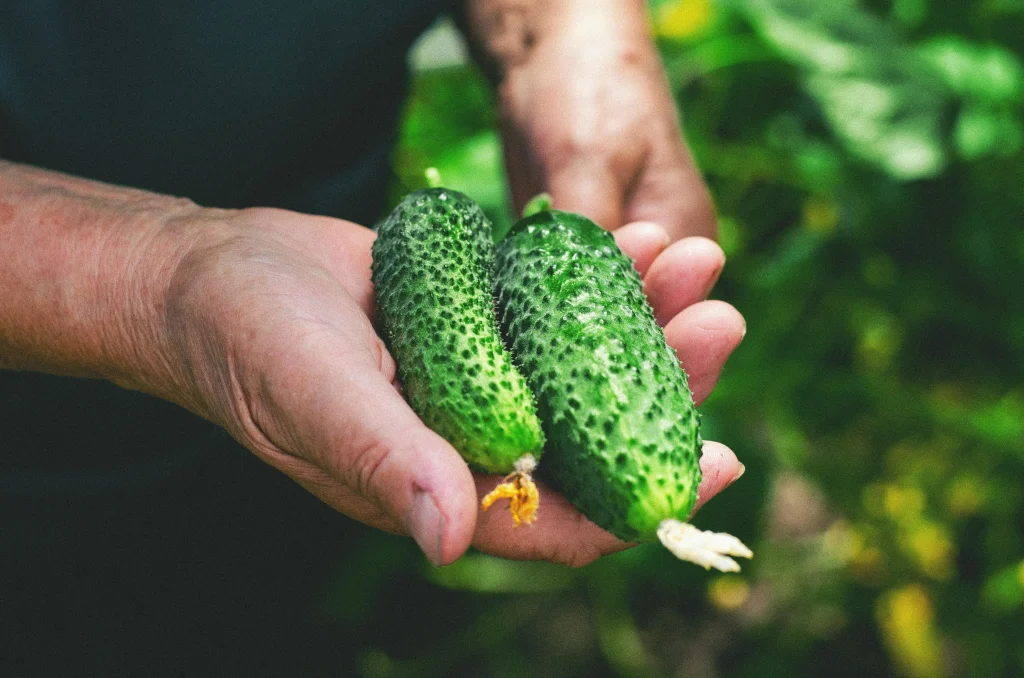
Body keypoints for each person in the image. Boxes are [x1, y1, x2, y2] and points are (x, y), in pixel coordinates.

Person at [1, 0, 747, 669]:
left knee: (273, 600)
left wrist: (561, 29)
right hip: (28, 459)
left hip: (324, 316)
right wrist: (153, 275)